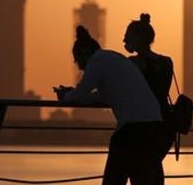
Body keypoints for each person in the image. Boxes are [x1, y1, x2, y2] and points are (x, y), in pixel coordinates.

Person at [55, 25, 165, 185]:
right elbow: (100, 96)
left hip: (132, 129)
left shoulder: (97, 61)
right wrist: (73, 94)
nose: (79, 66)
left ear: (85, 53)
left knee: (113, 179)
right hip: (153, 125)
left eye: (78, 60)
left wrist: (66, 96)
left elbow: (81, 91)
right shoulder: (112, 59)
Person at [124, 13, 174, 180]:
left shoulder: (133, 64)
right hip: (165, 126)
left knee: (140, 174)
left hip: (143, 127)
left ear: (139, 38)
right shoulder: (167, 62)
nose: (124, 40)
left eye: (128, 36)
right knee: (153, 170)